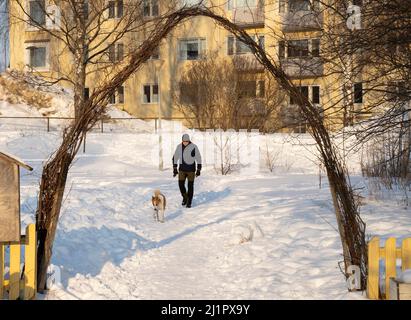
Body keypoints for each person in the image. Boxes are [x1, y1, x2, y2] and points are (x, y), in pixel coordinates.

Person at [172, 134, 202, 208]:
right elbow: (175, 157)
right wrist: (175, 168)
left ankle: (189, 201)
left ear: (189, 141)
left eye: (187, 141)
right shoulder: (179, 147)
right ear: (182, 140)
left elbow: (198, 157)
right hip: (182, 169)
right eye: (184, 141)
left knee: (190, 186)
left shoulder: (194, 147)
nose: (185, 143)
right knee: (181, 184)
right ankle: (185, 197)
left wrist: (198, 169)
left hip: (191, 170)